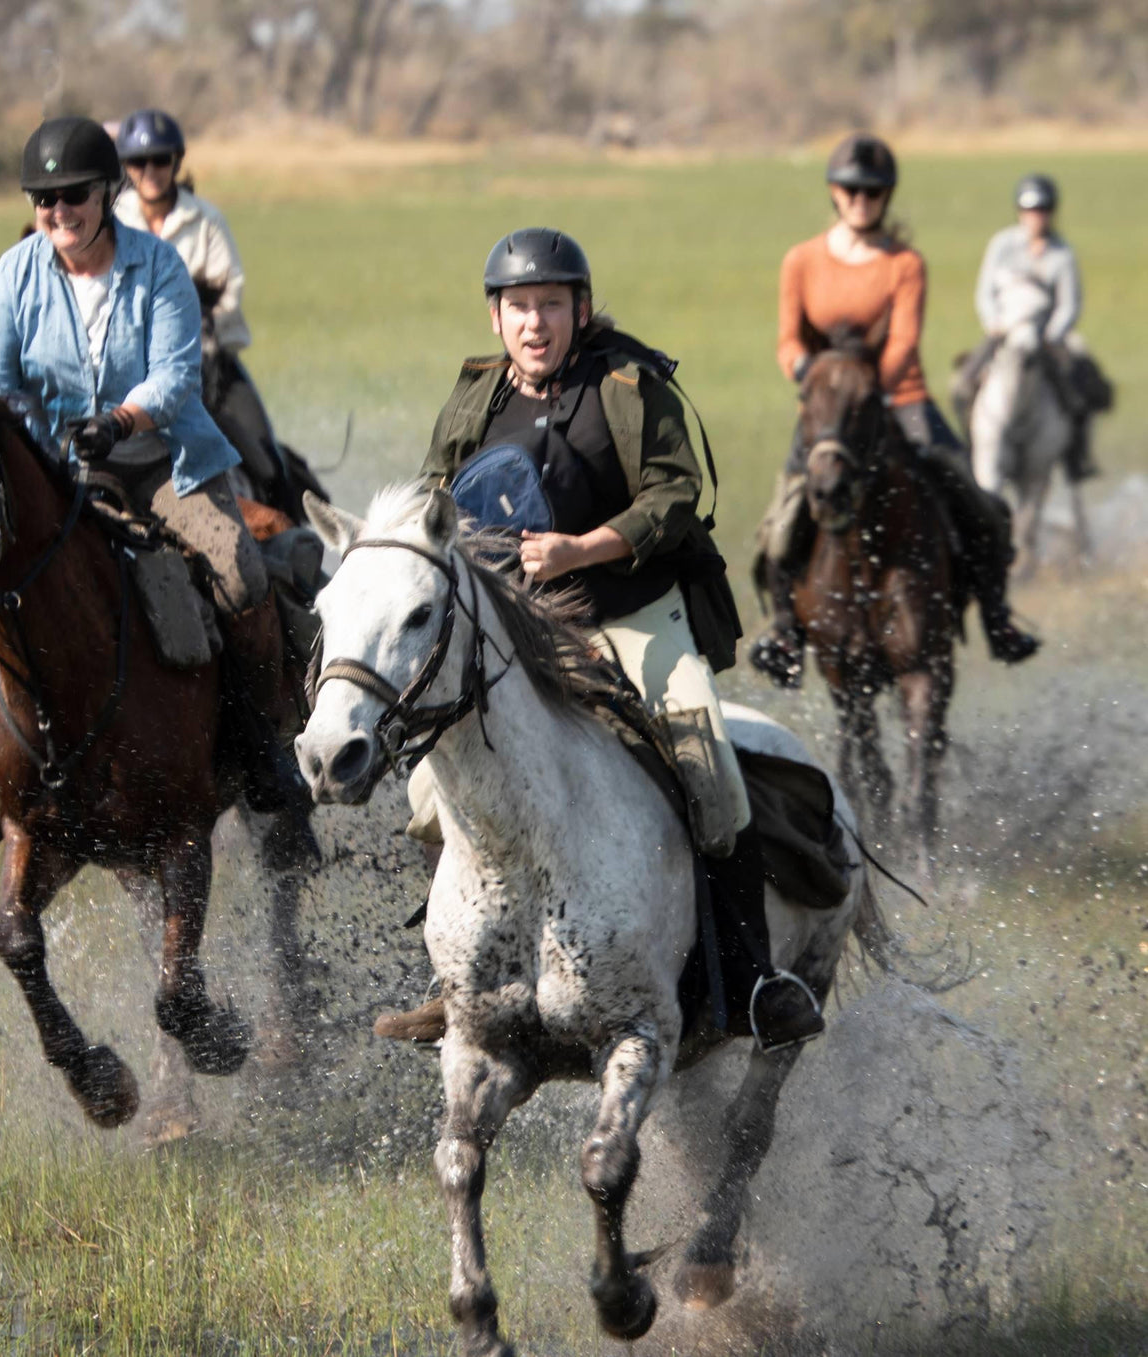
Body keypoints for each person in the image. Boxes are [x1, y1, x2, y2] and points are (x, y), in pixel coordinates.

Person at [403, 227, 822, 1048]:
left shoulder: (628, 385)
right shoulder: (475, 396)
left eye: (550, 305)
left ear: (579, 309)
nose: (534, 322)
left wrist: (581, 547)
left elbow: (674, 492)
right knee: (428, 793)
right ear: (496, 318)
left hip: (628, 608)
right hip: (517, 625)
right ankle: (454, 974)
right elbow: (433, 499)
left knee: (711, 780)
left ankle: (753, 981)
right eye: (518, 306)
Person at [0, 115, 288, 842]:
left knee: (239, 572)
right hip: (59, 467)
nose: (58, 212)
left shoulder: (159, 267)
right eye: (44, 199)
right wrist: (43, 453)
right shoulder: (14, 273)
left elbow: (175, 377)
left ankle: (261, 749)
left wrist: (119, 423)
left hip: (165, 459)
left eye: (72, 195)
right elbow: (0, 383)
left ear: (107, 192)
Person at [751, 134, 1039, 688]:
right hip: (827, 407)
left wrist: (868, 392)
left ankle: (997, 618)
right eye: (852, 190)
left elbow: (903, 341)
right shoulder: (802, 260)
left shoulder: (905, 263)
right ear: (835, 192)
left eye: (873, 191)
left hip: (899, 398)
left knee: (977, 501)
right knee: (783, 519)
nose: (862, 200)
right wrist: (807, 376)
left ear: (887, 196)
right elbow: (788, 340)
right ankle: (785, 631)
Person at [112, 108, 289, 502]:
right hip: (130, 365)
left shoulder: (207, 220)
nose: (151, 170)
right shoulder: (112, 222)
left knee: (267, 460)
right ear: (127, 166)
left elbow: (229, 292)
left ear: (176, 161)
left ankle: (297, 538)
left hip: (211, 364)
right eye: (139, 161)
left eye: (161, 159)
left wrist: (192, 340)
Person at [953, 173, 1106, 481]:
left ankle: (1078, 459)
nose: (1036, 217)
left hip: (1045, 335)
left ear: (1051, 212)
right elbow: (985, 291)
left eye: (1043, 210)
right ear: (1020, 212)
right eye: (1030, 211)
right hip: (1002, 332)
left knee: (1076, 394)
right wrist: (993, 322)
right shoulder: (1002, 245)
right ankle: (969, 449)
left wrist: (1053, 334)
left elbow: (1070, 303)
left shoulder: (1062, 254)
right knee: (961, 384)